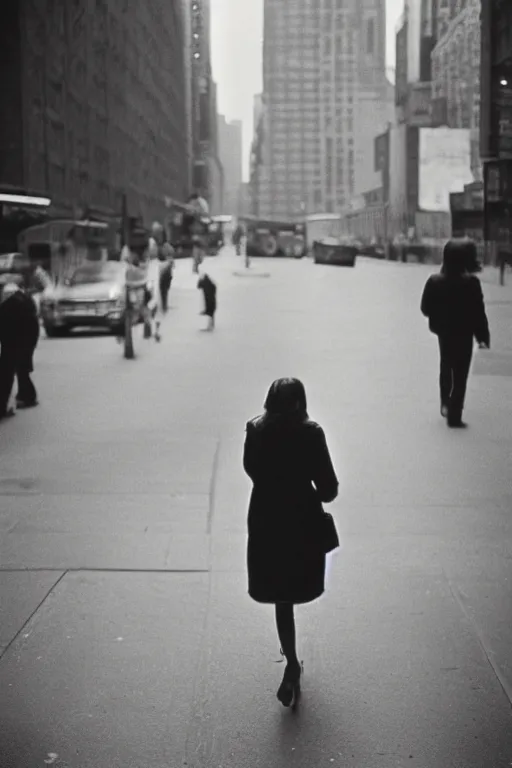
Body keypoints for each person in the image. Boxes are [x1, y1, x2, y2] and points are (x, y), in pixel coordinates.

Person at [243, 378, 339, 708]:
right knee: (295, 587)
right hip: (301, 522)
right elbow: (328, 489)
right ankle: (293, 666)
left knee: (281, 598)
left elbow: (251, 471)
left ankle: (292, 663)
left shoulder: (255, 430)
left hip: (266, 520)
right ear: (300, 402)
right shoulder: (311, 433)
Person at [421, 239, 490, 428]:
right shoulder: (472, 283)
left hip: (444, 332)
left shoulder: (434, 281)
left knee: (446, 366)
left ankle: (445, 402)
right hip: (465, 333)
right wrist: (483, 336)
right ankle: (455, 413)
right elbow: (478, 312)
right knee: (461, 374)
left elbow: (425, 308)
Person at [0, 281, 40, 419]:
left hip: (14, 340)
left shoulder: (9, 305)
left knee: (7, 372)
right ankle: (26, 396)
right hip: (26, 339)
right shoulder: (25, 300)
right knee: (21, 368)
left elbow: (6, 326)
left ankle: (6, 405)